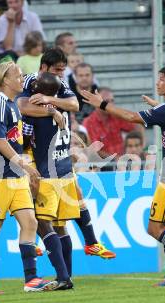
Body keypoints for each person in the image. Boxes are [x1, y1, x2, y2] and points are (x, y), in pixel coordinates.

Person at [82, 64, 165, 287]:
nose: (157, 82)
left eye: (162, 79)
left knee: (154, 228)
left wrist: (102, 104)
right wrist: (157, 107)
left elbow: (130, 117)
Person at [18, 48, 116, 269]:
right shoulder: (30, 81)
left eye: (63, 70)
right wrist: (54, 112)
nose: (62, 75)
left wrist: (48, 101)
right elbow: (24, 107)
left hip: (54, 149)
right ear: (44, 68)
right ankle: (30, 238)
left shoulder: (59, 84)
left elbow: (75, 105)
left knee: (72, 198)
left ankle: (83, 252)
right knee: (33, 191)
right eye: (57, 70)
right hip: (32, 148)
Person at [0, 61, 55, 295]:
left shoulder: (13, 106)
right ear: (5, 80)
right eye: (18, 76)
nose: (22, 80)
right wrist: (24, 163)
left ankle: (31, 279)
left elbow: (14, 140)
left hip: (16, 176)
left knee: (30, 222)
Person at [82, 87, 138, 159]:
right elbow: (92, 150)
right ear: (96, 102)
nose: (110, 104)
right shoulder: (88, 123)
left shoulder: (116, 115)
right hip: (101, 166)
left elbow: (137, 124)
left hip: (122, 162)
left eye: (112, 101)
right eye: (107, 101)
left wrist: (141, 145)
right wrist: (115, 158)